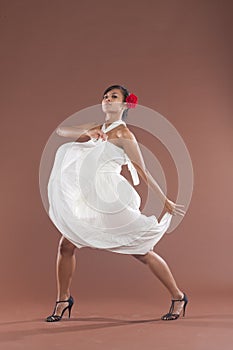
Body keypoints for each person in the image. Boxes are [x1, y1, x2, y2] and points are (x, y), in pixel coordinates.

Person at [45, 84, 188, 322]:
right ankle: (63, 299)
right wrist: (90, 133)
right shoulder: (98, 128)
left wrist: (165, 200)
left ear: (124, 104)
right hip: (90, 198)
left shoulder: (124, 135)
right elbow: (62, 131)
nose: (107, 99)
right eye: (105, 96)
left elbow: (142, 170)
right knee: (66, 246)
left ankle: (178, 296)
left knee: (142, 251)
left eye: (113, 96)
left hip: (111, 198)